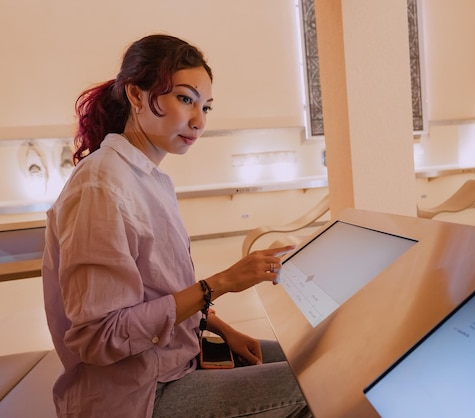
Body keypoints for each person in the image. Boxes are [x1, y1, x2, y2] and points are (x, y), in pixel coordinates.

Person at [42, 34, 312, 418]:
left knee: (316, 356)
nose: (199, 121)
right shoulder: (101, 185)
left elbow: (156, 292)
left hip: (175, 358)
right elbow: (97, 337)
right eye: (185, 99)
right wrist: (220, 284)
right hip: (140, 393)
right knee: (319, 383)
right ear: (136, 96)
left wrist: (217, 326)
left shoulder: (149, 178)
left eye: (206, 106)